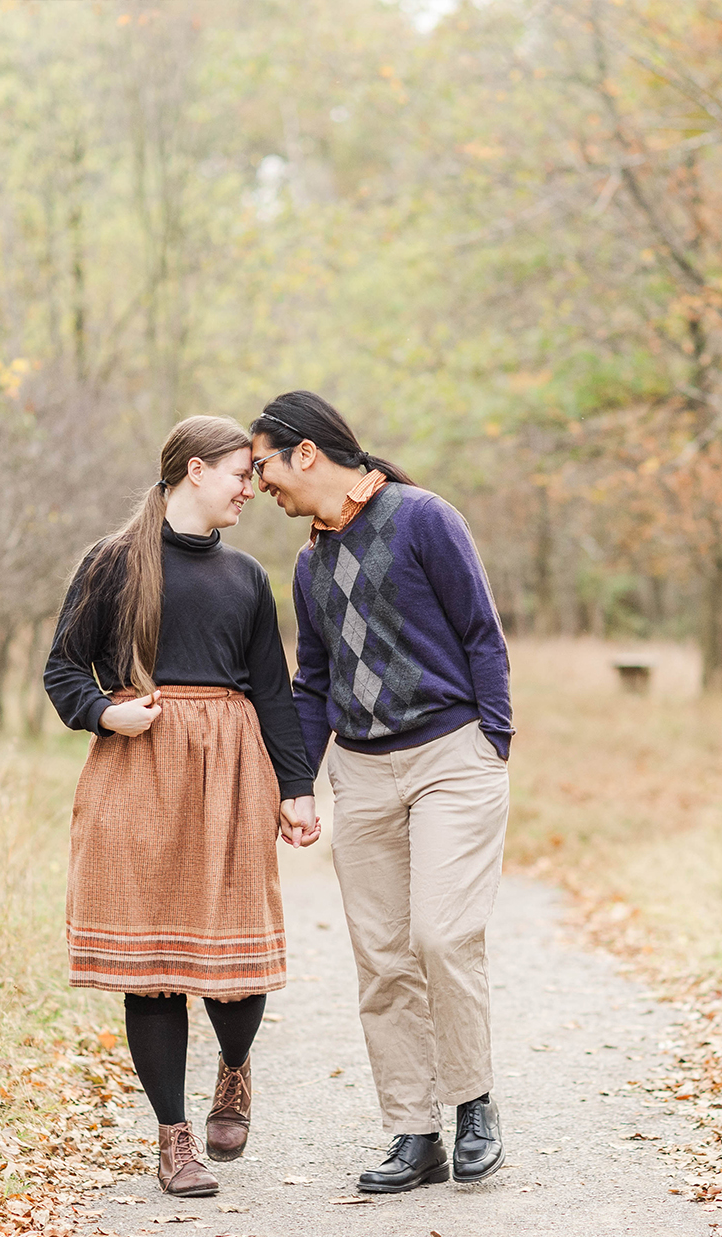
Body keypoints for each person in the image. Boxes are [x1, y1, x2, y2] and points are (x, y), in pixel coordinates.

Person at [44, 415, 320, 1199]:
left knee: (235, 957)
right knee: (153, 970)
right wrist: (106, 713)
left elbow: (273, 689)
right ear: (195, 471)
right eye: (240, 474)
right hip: (139, 766)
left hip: (233, 768)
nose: (250, 489)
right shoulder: (112, 564)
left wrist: (295, 788)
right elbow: (62, 670)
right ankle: (173, 1139)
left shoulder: (245, 578)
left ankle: (234, 1072)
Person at [248, 390, 513, 1193]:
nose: (259, 484)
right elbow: (314, 682)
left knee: (440, 935)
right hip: (360, 774)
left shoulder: (423, 517)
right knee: (382, 959)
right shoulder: (308, 564)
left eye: (262, 464)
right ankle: (413, 1132)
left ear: (305, 453)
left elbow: (481, 633)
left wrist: (491, 740)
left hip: (449, 757)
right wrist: (299, 785)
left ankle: (473, 1104)